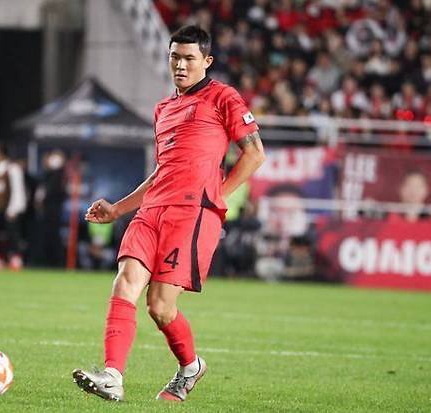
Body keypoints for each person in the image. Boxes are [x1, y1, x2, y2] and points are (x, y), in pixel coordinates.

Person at [72, 25, 266, 402]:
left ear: (206, 61)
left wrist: (216, 197)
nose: (180, 65)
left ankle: (190, 367)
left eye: (189, 58)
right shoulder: (163, 108)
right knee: (125, 281)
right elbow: (163, 170)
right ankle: (112, 375)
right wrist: (118, 209)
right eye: (174, 57)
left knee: (160, 306)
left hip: (192, 215)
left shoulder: (223, 97)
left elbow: (255, 154)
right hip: (152, 211)